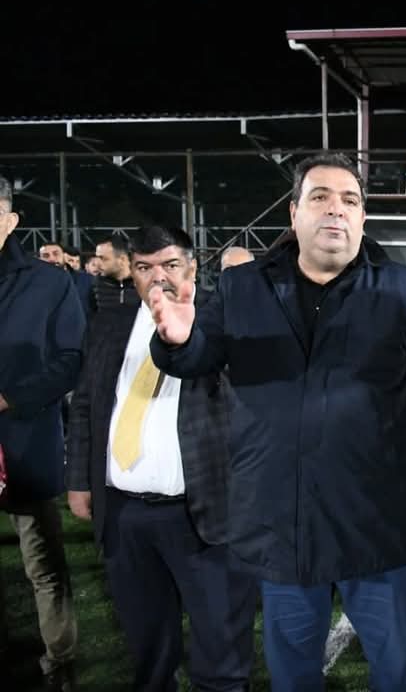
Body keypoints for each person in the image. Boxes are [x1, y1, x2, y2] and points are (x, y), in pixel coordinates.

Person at [147, 153, 406, 692]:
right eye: (320, 197)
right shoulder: (243, 287)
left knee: (395, 667)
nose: (336, 209)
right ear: (294, 214)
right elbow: (198, 357)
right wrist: (176, 339)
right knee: (292, 670)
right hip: (282, 521)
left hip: (375, 522)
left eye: (350, 200)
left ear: (362, 219)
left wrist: (395, 441)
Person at [66, 225, 257, 691]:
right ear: (130, 273)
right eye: (144, 267)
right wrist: (79, 479)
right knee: (148, 646)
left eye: (170, 265)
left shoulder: (228, 317)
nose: (158, 277)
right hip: (123, 513)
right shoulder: (109, 323)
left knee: (220, 650)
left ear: (192, 266)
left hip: (204, 513)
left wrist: (186, 338)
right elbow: (88, 403)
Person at [0, 176, 84, 691]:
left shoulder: (49, 283)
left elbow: (70, 360)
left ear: (10, 220)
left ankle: (59, 661)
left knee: (44, 566)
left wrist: (10, 398)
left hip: (23, 446)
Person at [93, 234, 139, 311]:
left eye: (103, 258)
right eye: (97, 257)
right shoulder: (94, 287)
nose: (97, 263)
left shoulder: (143, 286)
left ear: (122, 260)